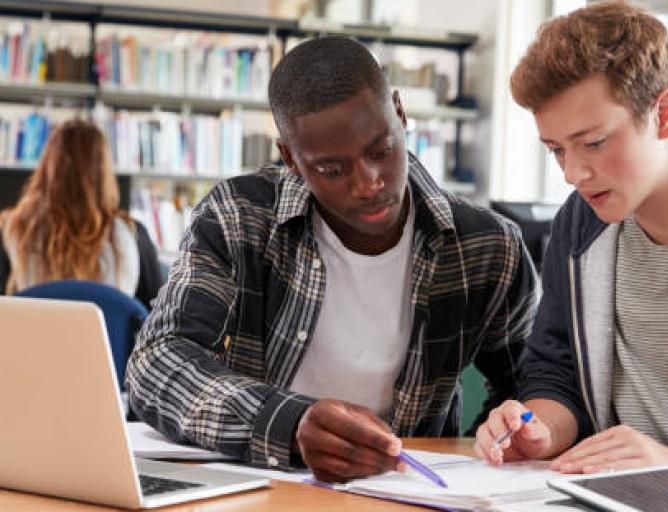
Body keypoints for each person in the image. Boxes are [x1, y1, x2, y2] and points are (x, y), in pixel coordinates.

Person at [125, 36, 539, 483]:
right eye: (332, 170)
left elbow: (535, 386)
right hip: (267, 485)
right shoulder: (239, 217)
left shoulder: (487, 245)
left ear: (400, 114)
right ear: (291, 159)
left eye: (380, 150)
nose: (369, 183)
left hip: (409, 488)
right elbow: (158, 361)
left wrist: (495, 450)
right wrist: (288, 425)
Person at [474, 0, 668, 482]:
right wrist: (538, 428)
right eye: (556, 150)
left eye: (592, 143)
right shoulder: (581, 224)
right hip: (616, 493)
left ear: (665, 114)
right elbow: (557, 372)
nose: (572, 173)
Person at [0, 119, 162, 310]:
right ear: (104, 173)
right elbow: (164, 322)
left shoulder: (10, 231)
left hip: (31, 340)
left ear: (47, 169)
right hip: (111, 341)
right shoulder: (133, 237)